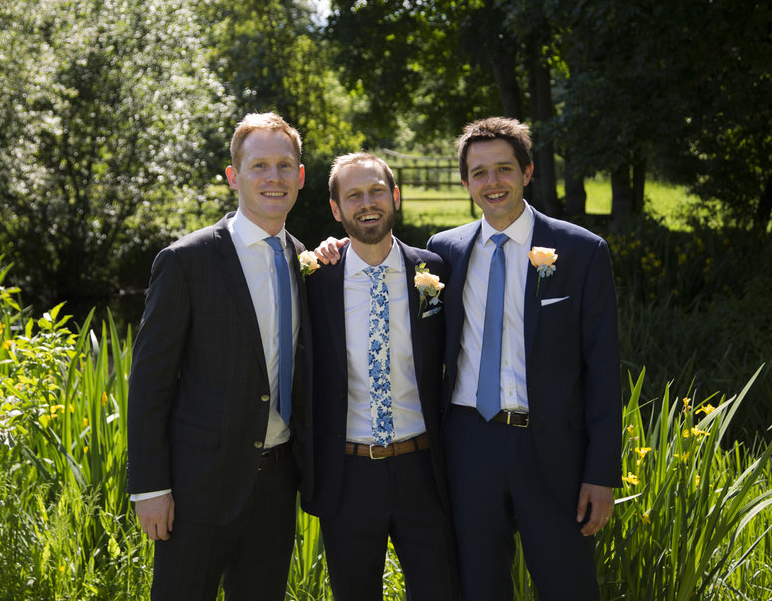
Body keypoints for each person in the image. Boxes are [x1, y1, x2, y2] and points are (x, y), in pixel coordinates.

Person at [426, 116, 622, 600]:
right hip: (469, 443)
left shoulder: (581, 251)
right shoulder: (443, 252)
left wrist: (601, 473)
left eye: (504, 169)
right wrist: (332, 250)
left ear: (528, 171)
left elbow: (602, 370)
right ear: (467, 181)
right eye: (479, 173)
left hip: (551, 450)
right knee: (479, 585)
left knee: (568, 586)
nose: (492, 183)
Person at [126, 112, 313, 600]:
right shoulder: (186, 261)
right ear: (234, 176)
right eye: (259, 166)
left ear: (300, 175)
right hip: (196, 490)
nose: (274, 177)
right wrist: (150, 488)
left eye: (285, 165)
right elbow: (149, 383)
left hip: (276, 486)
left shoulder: (307, 261)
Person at [304, 152, 459, 601]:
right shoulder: (315, 279)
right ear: (336, 209)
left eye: (376, 191)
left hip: (425, 468)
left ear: (395, 197)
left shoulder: (434, 271)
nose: (366, 203)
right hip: (348, 473)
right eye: (353, 195)